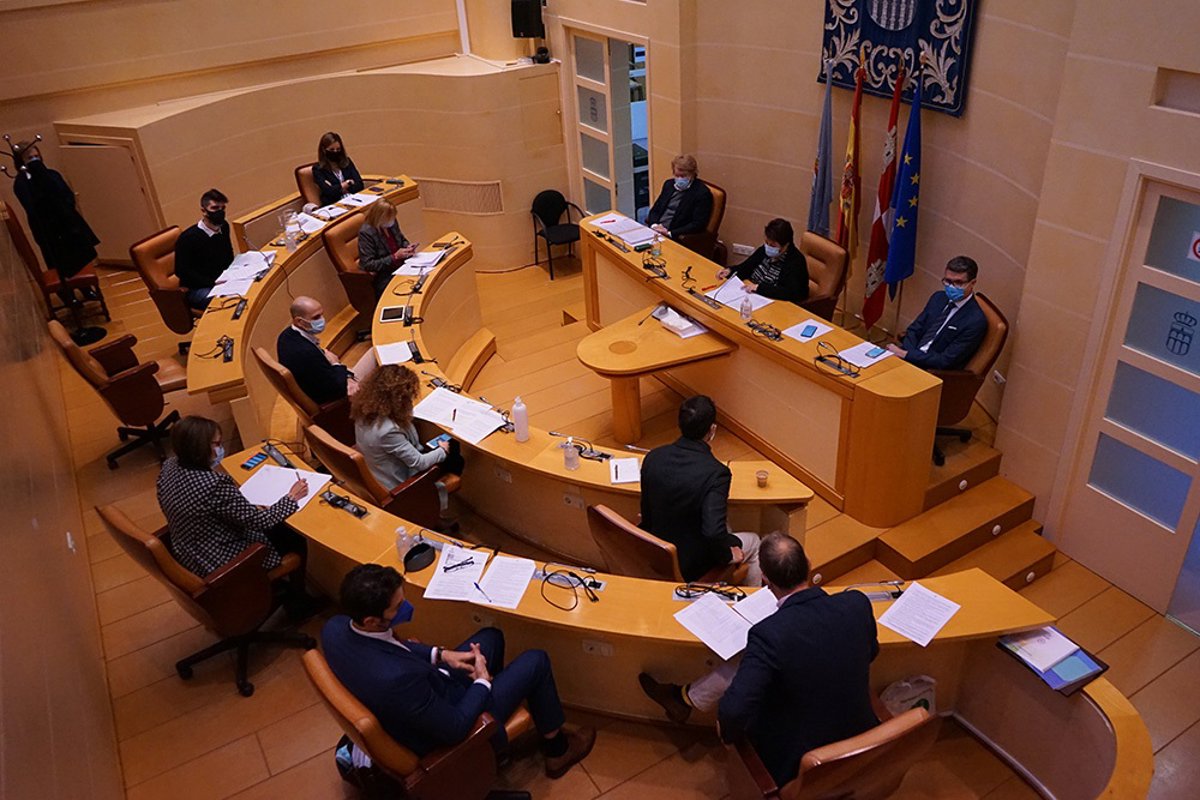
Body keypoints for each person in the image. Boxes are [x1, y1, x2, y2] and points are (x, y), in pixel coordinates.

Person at [641, 534, 879, 789]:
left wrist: (728, 736)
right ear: (809, 565)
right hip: (865, 741)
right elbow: (871, 652)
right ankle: (685, 698)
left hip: (801, 764)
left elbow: (732, 713)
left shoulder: (768, 635)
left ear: (765, 579)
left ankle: (684, 699)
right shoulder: (857, 603)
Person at [321, 564, 596, 779]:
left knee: (491, 637)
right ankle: (556, 750)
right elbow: (454, 728)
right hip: (450, 723)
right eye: (398, 608)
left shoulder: (335, 628)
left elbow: (392, 646)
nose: (406, 608)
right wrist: (482, 683)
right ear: (372, 620)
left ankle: (498, 741)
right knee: (536, 661)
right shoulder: (398, 680)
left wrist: (441, 654)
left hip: (426, 693)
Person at [156, 415, 317, 616]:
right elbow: (261, 522)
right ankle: (299, 603)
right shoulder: (213, 485)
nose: (220, 448)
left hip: (190, 552)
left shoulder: (170, 466)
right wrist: (292, 498)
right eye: (216, 444)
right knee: (292, 537)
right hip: (220, 561)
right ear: (199, 449)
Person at [639, 395, 762, 586]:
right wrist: (728, 555)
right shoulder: (717, 473)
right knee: (754, 542)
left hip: (656, 548)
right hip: (690, 564)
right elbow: (713, 532)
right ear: (712, 430)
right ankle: (752, 598)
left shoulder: (653, 457)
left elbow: (646, 515)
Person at [352, 364, 464, 519]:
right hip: (401, 484)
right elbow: (419, 463)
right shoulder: (388, 431)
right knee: (455, 453)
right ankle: (433, 506)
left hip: (379, 469)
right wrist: (443, 450)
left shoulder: (364, 409)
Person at [11, 140, 100, 282]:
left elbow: (67, 194)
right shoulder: (22, 183)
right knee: (57, 262)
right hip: (47, 229)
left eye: (37, 156)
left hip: (67, 222)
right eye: (30, 158)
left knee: (80, 256)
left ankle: (85, 286)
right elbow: (31, 207)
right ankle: (66, 290)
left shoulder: (52, 174)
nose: (35, 161)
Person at [886, 255, 987, 371]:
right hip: (910, 357)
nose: (951, 287)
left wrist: (907, 355)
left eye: (958, 283)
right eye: (948, 281)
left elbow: (945, 361)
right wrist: (908, 355)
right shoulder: (938, 298)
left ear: (972, 283)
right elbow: (914, 330)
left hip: (932, 371)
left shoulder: (975, 321)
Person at [276, 296, 377, 405]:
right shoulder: (306, 353)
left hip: (324, 381)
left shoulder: (286, 336)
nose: (322, 320)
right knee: (376, 355)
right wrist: (337, 365)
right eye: (316, 317)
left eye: (322, 314)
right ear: (299, 321)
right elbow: (335, 388)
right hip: (333, 398)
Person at [716, 218, 808, 305]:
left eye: (773, 245)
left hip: (772, 303)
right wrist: (729, 271)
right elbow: (746, 267)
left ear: (786, 245)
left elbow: (791, 293)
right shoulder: (763, 250)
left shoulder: (796, 261)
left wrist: (759, 288)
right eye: (767, 242)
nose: (768, 247)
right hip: (750, 294)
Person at [174, 188, 234, 309]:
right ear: (204, 211)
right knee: (229, 300)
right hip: (198, 288)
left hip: (222, 279)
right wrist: (213, 283)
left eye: (222, 208)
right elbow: (182, 271)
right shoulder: (188, 238)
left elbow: (228, 254)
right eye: (215, 208)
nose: (220, 212)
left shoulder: (224, 227)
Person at [357, 198, 418, 298]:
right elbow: (368, 264)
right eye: (388, 218)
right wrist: (395, 257)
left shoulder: (391, 223)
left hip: (402, 266)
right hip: (384, 275)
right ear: (379, 217)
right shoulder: (367, 233)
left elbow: (401, 239)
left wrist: (407, 247)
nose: (392, 221)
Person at [645, 154, 713, 242]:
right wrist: (654, 225)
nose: (679, 179)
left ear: (692, 174)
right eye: (677, 175)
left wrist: (669, 233)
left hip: (675, 235)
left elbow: (697, 224)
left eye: (683, 176)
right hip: (656, 230)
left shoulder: (701, 193)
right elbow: (656, 209)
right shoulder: (669, 185)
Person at [312, 132, 364, 207]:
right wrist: (348, 183)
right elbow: (329, 192)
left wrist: (337, 188)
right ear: (324, 150)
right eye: (332, 150)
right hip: (335, 205)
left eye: (338, 149)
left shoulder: (347, 162)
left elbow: (360, 184)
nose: (335, 152)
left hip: (354, 200)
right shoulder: (318, 169)